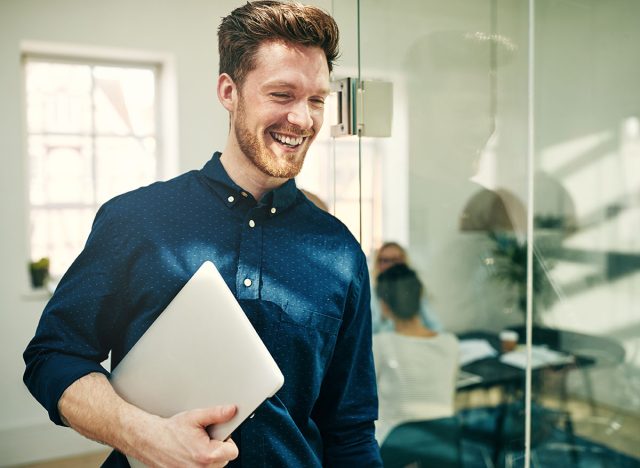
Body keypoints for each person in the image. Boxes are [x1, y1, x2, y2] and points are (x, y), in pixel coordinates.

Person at [23, 2, 382, 466]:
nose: (304, 119)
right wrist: (141, 434)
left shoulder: (340, 252)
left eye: (316, 99)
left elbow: (350, 427)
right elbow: (53, 357)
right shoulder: (136, 219)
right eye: (281, 94)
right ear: (228, 91)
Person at [372, 264, 459, 444]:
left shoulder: (380, 344)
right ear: (420, 298)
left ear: (384, 306)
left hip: (393, 449)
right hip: (442, 446)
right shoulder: (451, 343)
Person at [370, 241, 443, 333]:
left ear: (405, 260)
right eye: (385, 260)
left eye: (396, 260)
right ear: (378, 263)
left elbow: (435, 326)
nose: (391, 265)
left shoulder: (414, 290)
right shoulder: (369, 295)